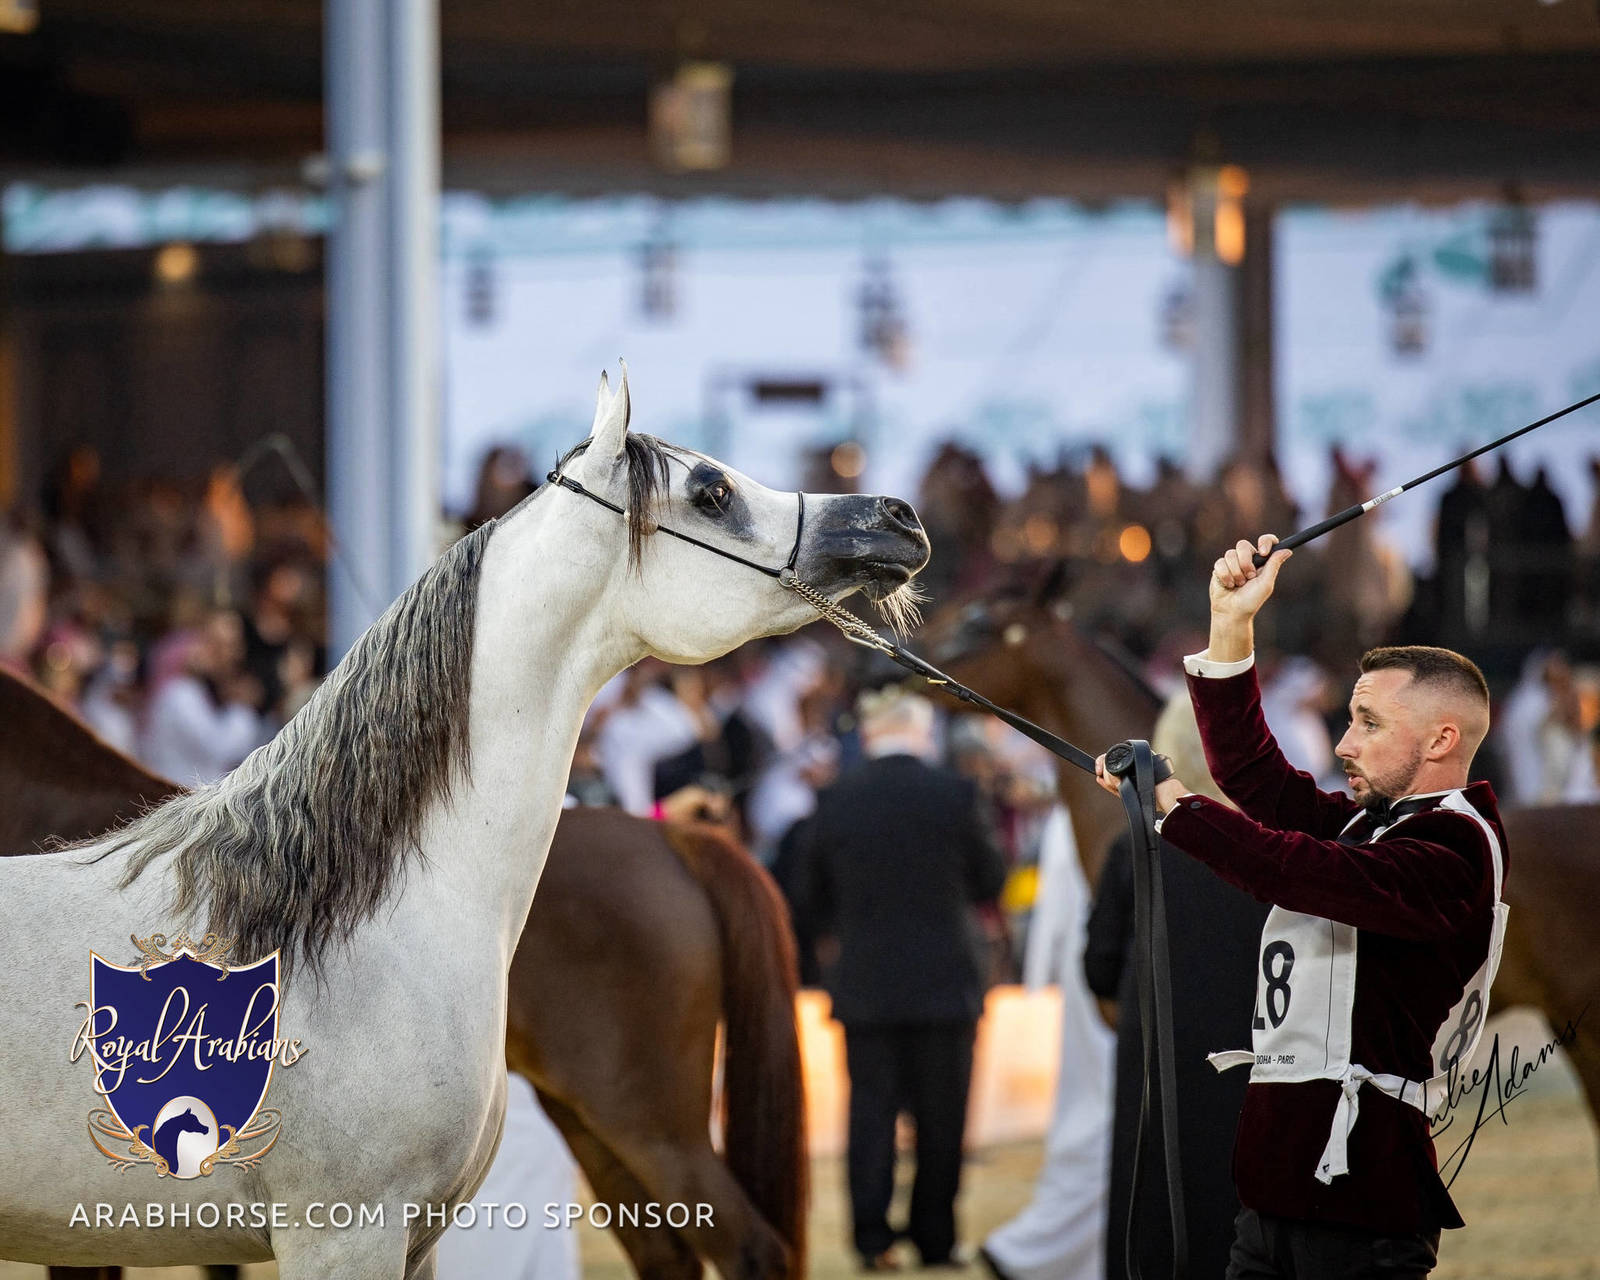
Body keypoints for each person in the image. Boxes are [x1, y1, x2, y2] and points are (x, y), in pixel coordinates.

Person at [1096, 534, 1508, 1280]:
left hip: (1362, 1197)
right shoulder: (1370, 822)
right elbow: (1256, 777)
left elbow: (1296, 869)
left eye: (1370, 724)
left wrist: (1177, 806)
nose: (1345, 742)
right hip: (1273, 1189)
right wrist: (1230, 625)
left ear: (1442, 738)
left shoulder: (1457, 849)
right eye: (1350, 719)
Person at [803, 687, 1009, 1271]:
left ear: (868, 736)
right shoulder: (956, 794)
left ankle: (873, 1241)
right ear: (922, 733)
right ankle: (935, 1239)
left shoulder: (836, 799)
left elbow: (807, 893)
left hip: (865, 984)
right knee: (942, 1121)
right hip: (947, 985)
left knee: (870, 1117)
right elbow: (990, 880)